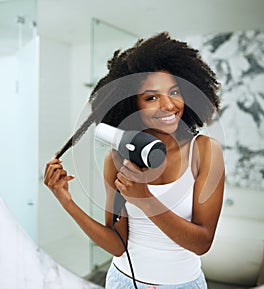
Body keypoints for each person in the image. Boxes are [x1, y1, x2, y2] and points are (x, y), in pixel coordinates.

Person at [44, 32, 225, 289]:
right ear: (132, 106)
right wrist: (66, 200)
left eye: (174, 91)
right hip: (123, 281)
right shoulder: (117, 158)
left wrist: (145, 199)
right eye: (151, 97)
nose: (169, 105)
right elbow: (118, 245)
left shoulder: (205, 152)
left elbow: (202, 243)